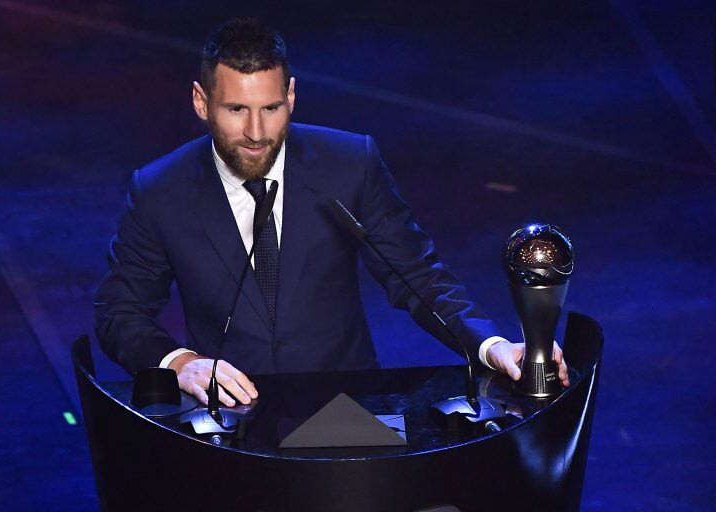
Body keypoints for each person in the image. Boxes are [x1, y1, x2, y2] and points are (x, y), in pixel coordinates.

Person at [94, 18, 569, 408]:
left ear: (292, 96)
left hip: (347, 408)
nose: (257, 131)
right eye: (237, 109)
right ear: (202, 102)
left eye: (272, 107)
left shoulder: (349, 165)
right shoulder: (160, 189)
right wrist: (180, 363)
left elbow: (418, 278)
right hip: (229, 417)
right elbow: (120, 312)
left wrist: (492, 347)